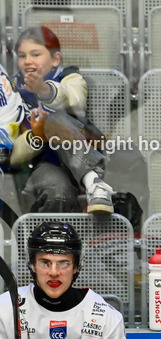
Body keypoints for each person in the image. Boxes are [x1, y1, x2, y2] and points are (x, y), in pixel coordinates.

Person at [11, 27, 115, 213]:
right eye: (22, 56)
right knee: (59, 192)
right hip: (39, 166)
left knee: (54, 120)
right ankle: (53, 241)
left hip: (79, 155)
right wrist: (36, 136)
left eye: (35, 54)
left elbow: (75, 99)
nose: (28, 61)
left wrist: (45, 90)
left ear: (55, 59)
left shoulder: (70, 77)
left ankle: (95, 183)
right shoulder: (11, 92)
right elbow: (12, 154)